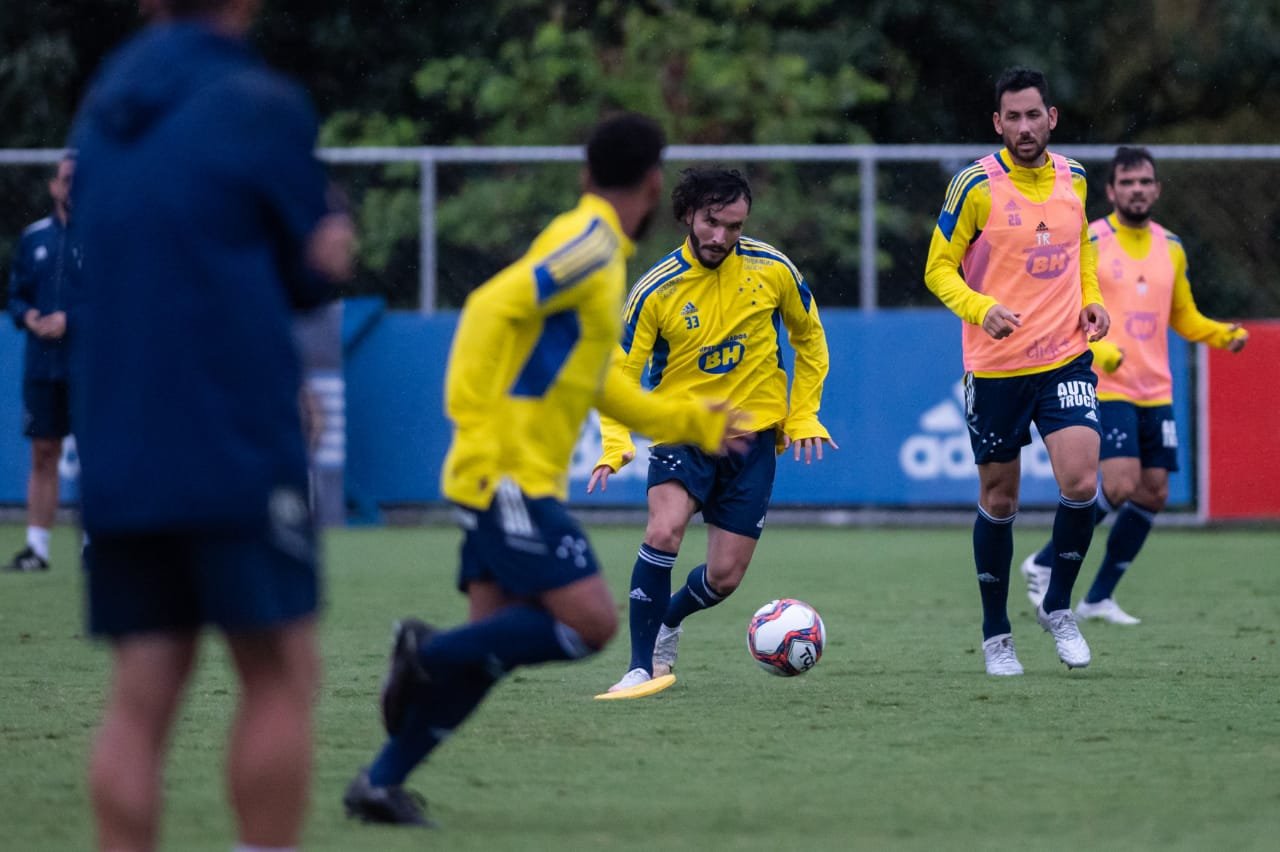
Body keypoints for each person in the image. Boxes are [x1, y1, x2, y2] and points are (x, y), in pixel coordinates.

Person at [342, 113, 741, 827]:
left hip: (504, 472)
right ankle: (425, 649)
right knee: (588, 624)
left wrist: (688, 421)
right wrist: (473, 416)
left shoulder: (593, 246)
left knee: (489, 651)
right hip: (505, 474)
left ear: (587, 174)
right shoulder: (591, 245)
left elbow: (595, 381)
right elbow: (489, 305)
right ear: (655, 186)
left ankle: (379, 781)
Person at [68, 1, 355, 850]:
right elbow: (309, 270)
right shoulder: (260, 102)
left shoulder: (105, 101)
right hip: (231, 434)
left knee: (140, 693)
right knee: (278, 672)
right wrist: (330, 247)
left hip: (119, 435)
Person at [589, 166, 834, 697]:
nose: (721, 236)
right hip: (684, 434)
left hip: (753, 441)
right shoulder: (656, 289)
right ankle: (638, 666)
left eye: (733, 225)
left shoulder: (773, 269)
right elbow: (620, 373)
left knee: (724, 577)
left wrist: (804, 415)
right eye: (711, 222)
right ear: (687, 216)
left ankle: (670, 619)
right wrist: (615, 443)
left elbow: (809, 339)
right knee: (664, 530)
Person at [923, 66, 1110, 676]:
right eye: (1013, 117)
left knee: (1081, 482)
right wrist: (982, 308)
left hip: (1064, 356)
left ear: (1051, 118)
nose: (1025, 127)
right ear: (997, 123)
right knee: (999, 499)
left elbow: (1082, 243)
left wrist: (1092, 296)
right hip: (995, 366)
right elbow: (938, 268)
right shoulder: (975, 185)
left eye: (1035, 115)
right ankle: (996, 631)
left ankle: (1058, 606)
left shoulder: (1075, 177)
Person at [1020, 147, 1249, 624]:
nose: (1137, 190)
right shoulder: (1093, 239)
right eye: (1127, 182)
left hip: (1155, 388)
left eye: (1145, 182)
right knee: (1120, 485)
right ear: (1111, 191)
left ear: (1157, 189)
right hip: (1106, 382)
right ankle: (1044, 560)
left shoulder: (1172, 246)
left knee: (1154, 492)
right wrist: (1101, 350)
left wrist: (1219, 335)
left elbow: (1182, 315)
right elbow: (1065, 306)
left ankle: (1098, 597)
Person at [5, 154, 78, 573]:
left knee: (97, 455)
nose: (72, 188)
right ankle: (37, 548)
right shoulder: (34, 238)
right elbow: (17, 294)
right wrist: (30, 317)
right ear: (54, 186)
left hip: (87, 365)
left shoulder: (101, 239)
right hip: (43, 365)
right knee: (43, 452)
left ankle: (95, 546)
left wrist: (73, 319)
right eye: (67, 180)